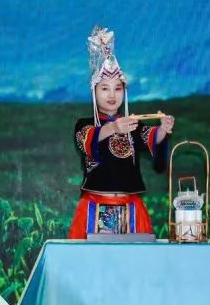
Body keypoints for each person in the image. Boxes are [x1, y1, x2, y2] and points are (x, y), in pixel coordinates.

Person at [68, 26, 174, 239]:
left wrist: (163, 129)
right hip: (94, 207)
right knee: (92, 260)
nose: (112, 95)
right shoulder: (84, 125)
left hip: (131, 207)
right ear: (94, 92)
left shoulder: (133, 125)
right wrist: (114, 128)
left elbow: (152, 138)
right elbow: (89, 140)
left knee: (133, 259)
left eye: (118, 88)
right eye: (104, 88)